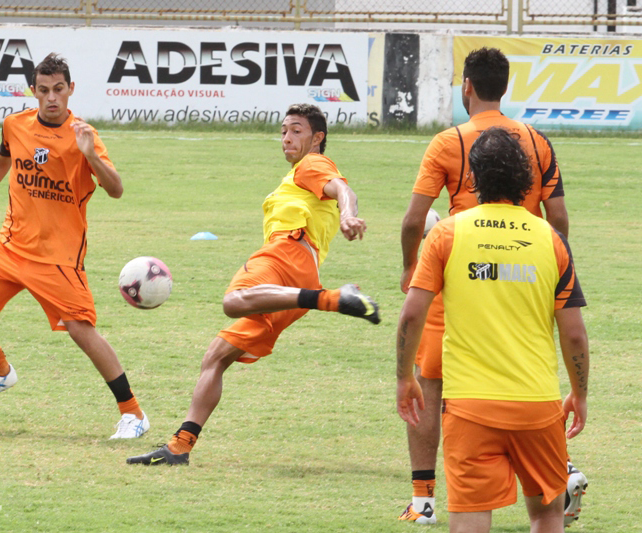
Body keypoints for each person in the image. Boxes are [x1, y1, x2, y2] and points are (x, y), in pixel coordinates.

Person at [126, 103, 380, 466]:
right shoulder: (300, 175)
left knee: (233, 300)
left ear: (317, 138)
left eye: (296, 130)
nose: (287, 137)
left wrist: (349, 215)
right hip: (295, 278)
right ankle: (179, 448)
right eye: (283, 131)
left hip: (286, 254)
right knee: (216, 356)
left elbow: (343, 189)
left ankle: (332, 299)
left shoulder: (312, 163)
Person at [398, 47, 587, 525]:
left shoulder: (449, 142)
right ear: (505, 87)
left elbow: (414, 220)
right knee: (527, 370)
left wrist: (410, 268)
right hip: (529, 270)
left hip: (457, 269)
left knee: (430, 382)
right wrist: (551, 263)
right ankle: (560, 469)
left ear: (466, 86)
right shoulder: (537, 141)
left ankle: (423, 499)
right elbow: (560, 216)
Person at [0, 53, 150, 439]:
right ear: (33, 91)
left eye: (58, 89)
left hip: (58, 257)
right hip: (11, 246)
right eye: (44, 90)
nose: (52, 97)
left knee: (81, 331)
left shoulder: (85, 135)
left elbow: (116, 189)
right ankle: (0, 371)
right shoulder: (15, 124)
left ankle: (133, 414)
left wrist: (90, 155)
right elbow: (0, 162)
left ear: (71, 89)